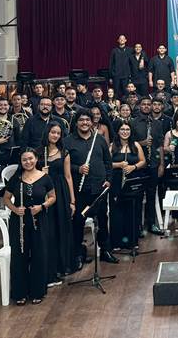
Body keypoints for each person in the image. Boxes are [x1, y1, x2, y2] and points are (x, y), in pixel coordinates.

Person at [4, 148, 55, 305]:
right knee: (20, 255)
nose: (28, 162)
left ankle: (37, 291)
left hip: (39, 219)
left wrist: (42, 206)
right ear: (21, 162)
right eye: (24, 160)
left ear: (36, 159)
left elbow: (53, 197)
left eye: (30, 158)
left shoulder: (45, 177)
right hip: (19, 221)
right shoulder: (16, 179)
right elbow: (6, 199)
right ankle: (20, 292)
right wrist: (15, 209)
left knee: (39, 254)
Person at [66, 112, 117, 266]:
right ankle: (77, 254)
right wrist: (77, 169)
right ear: (76, 123)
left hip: (99, 188)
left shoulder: (100, 139)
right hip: (79, 189)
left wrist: (108, 180)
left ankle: (105, 250)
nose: (85, 122)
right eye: (81, 120)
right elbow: (65, 166)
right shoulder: (68, 141)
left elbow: (108, 162)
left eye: (87, 120)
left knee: (103, 219)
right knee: (78, 222)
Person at [40, 122, 77, 282]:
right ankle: (49, 266)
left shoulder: (64, 152)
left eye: (58, 133)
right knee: (49, 230)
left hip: (61, 193)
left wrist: (72, 200)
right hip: (45, 194)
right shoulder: (38, 152)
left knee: (62, 228)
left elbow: (68, 177)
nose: (55, 135)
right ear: (47, 133)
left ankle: (63, 265)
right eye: (52, 132)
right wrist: (41, 173)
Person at [109, 120, 147, 251]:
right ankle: (117, 241)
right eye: (122, 129)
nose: (125, 132)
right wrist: (119, 165)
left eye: (127, 130)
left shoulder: (136, 145)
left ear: (131, 132)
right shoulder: (113, 146)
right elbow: (106, 164)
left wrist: (133, 167)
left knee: (133, 211)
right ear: (118, 131)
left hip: (133, 182)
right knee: (117, 212)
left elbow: (143, 161)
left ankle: (132, 241)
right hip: (116, 183)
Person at [130, 97, 164, 235]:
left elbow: (160, 145)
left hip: (153, 164)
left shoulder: (156, 124)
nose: (146, 106)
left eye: (148, 104)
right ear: (139, 106)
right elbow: (128, 143)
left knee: (151, 195)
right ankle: (137, 225)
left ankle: (151, 224)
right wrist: (141, 144)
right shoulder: (133, 123)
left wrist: (161, 164)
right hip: (138, 165)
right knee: (137, 196)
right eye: (143, 104)